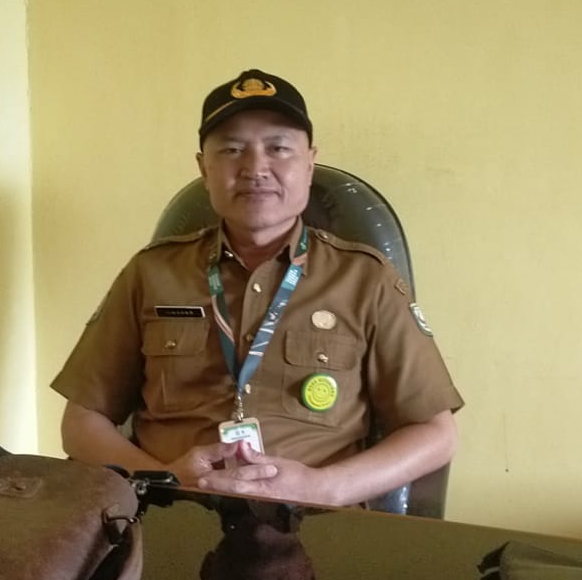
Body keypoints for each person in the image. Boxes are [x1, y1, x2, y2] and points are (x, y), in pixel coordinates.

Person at [53, 68, 461, 506]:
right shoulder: (152, 273)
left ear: (309, 163)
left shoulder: (365, 279)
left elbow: (435, 433)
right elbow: (81, 421)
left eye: (278, 148)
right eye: (232, 150)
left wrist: (324, 488)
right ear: (204, 169)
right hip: (171, 516)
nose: (255, 168)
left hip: (315, 523)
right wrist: (163, 480)